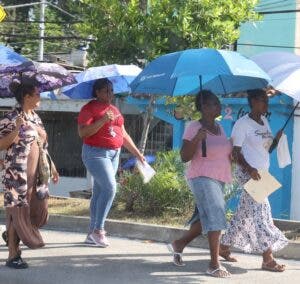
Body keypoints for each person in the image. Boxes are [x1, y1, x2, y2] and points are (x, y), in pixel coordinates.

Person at [220, 89, 288, 272]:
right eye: (263, 101)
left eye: (267, 100)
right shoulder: (243, 124)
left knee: (244, 213)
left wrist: (277, 139)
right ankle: (267, 258)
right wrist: (249, 169)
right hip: (248, 173)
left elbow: (268, 149)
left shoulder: (264, 121)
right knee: (262, 212)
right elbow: (235, 153)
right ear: (253, 102)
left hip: (261, 174)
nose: (266, 104)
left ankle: (223, 246)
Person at [169, 90, 232, 278]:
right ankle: (213, 264)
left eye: (218, 104)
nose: (218, 107)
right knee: (217, 215)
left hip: (220, 178)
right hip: (202, 177)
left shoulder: (220, 128)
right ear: (204, 107)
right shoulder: (193, 127)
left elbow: (223, 152)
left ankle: (179, 244)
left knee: (206, 219)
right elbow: (184, 156)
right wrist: (197, 138)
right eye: (214, 104)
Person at [77, 78, 144, 247]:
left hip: (114, 153)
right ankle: (98, 230)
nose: (110, 93)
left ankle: (91, 233)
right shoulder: (89, 108)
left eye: (111, 90)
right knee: (110, 187)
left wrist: (137, 154)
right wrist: (102, 120)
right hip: (95, 153)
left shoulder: (114, 109)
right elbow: (83, 133)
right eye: (106, 90)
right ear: (97, 92)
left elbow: (123, 134)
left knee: (100, 191)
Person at [0, 79, 59, 269]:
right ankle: (12, 255)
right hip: (16, 173)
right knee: (17, 211)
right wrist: (17, 127)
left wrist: (52, 166)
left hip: (36, 174)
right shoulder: (11, 118)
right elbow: (2, 144)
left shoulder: (35, 117)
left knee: (38, 211)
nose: (40, 97)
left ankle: (12, 232)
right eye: (37, 94)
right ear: (26, 97)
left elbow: (43, 145)